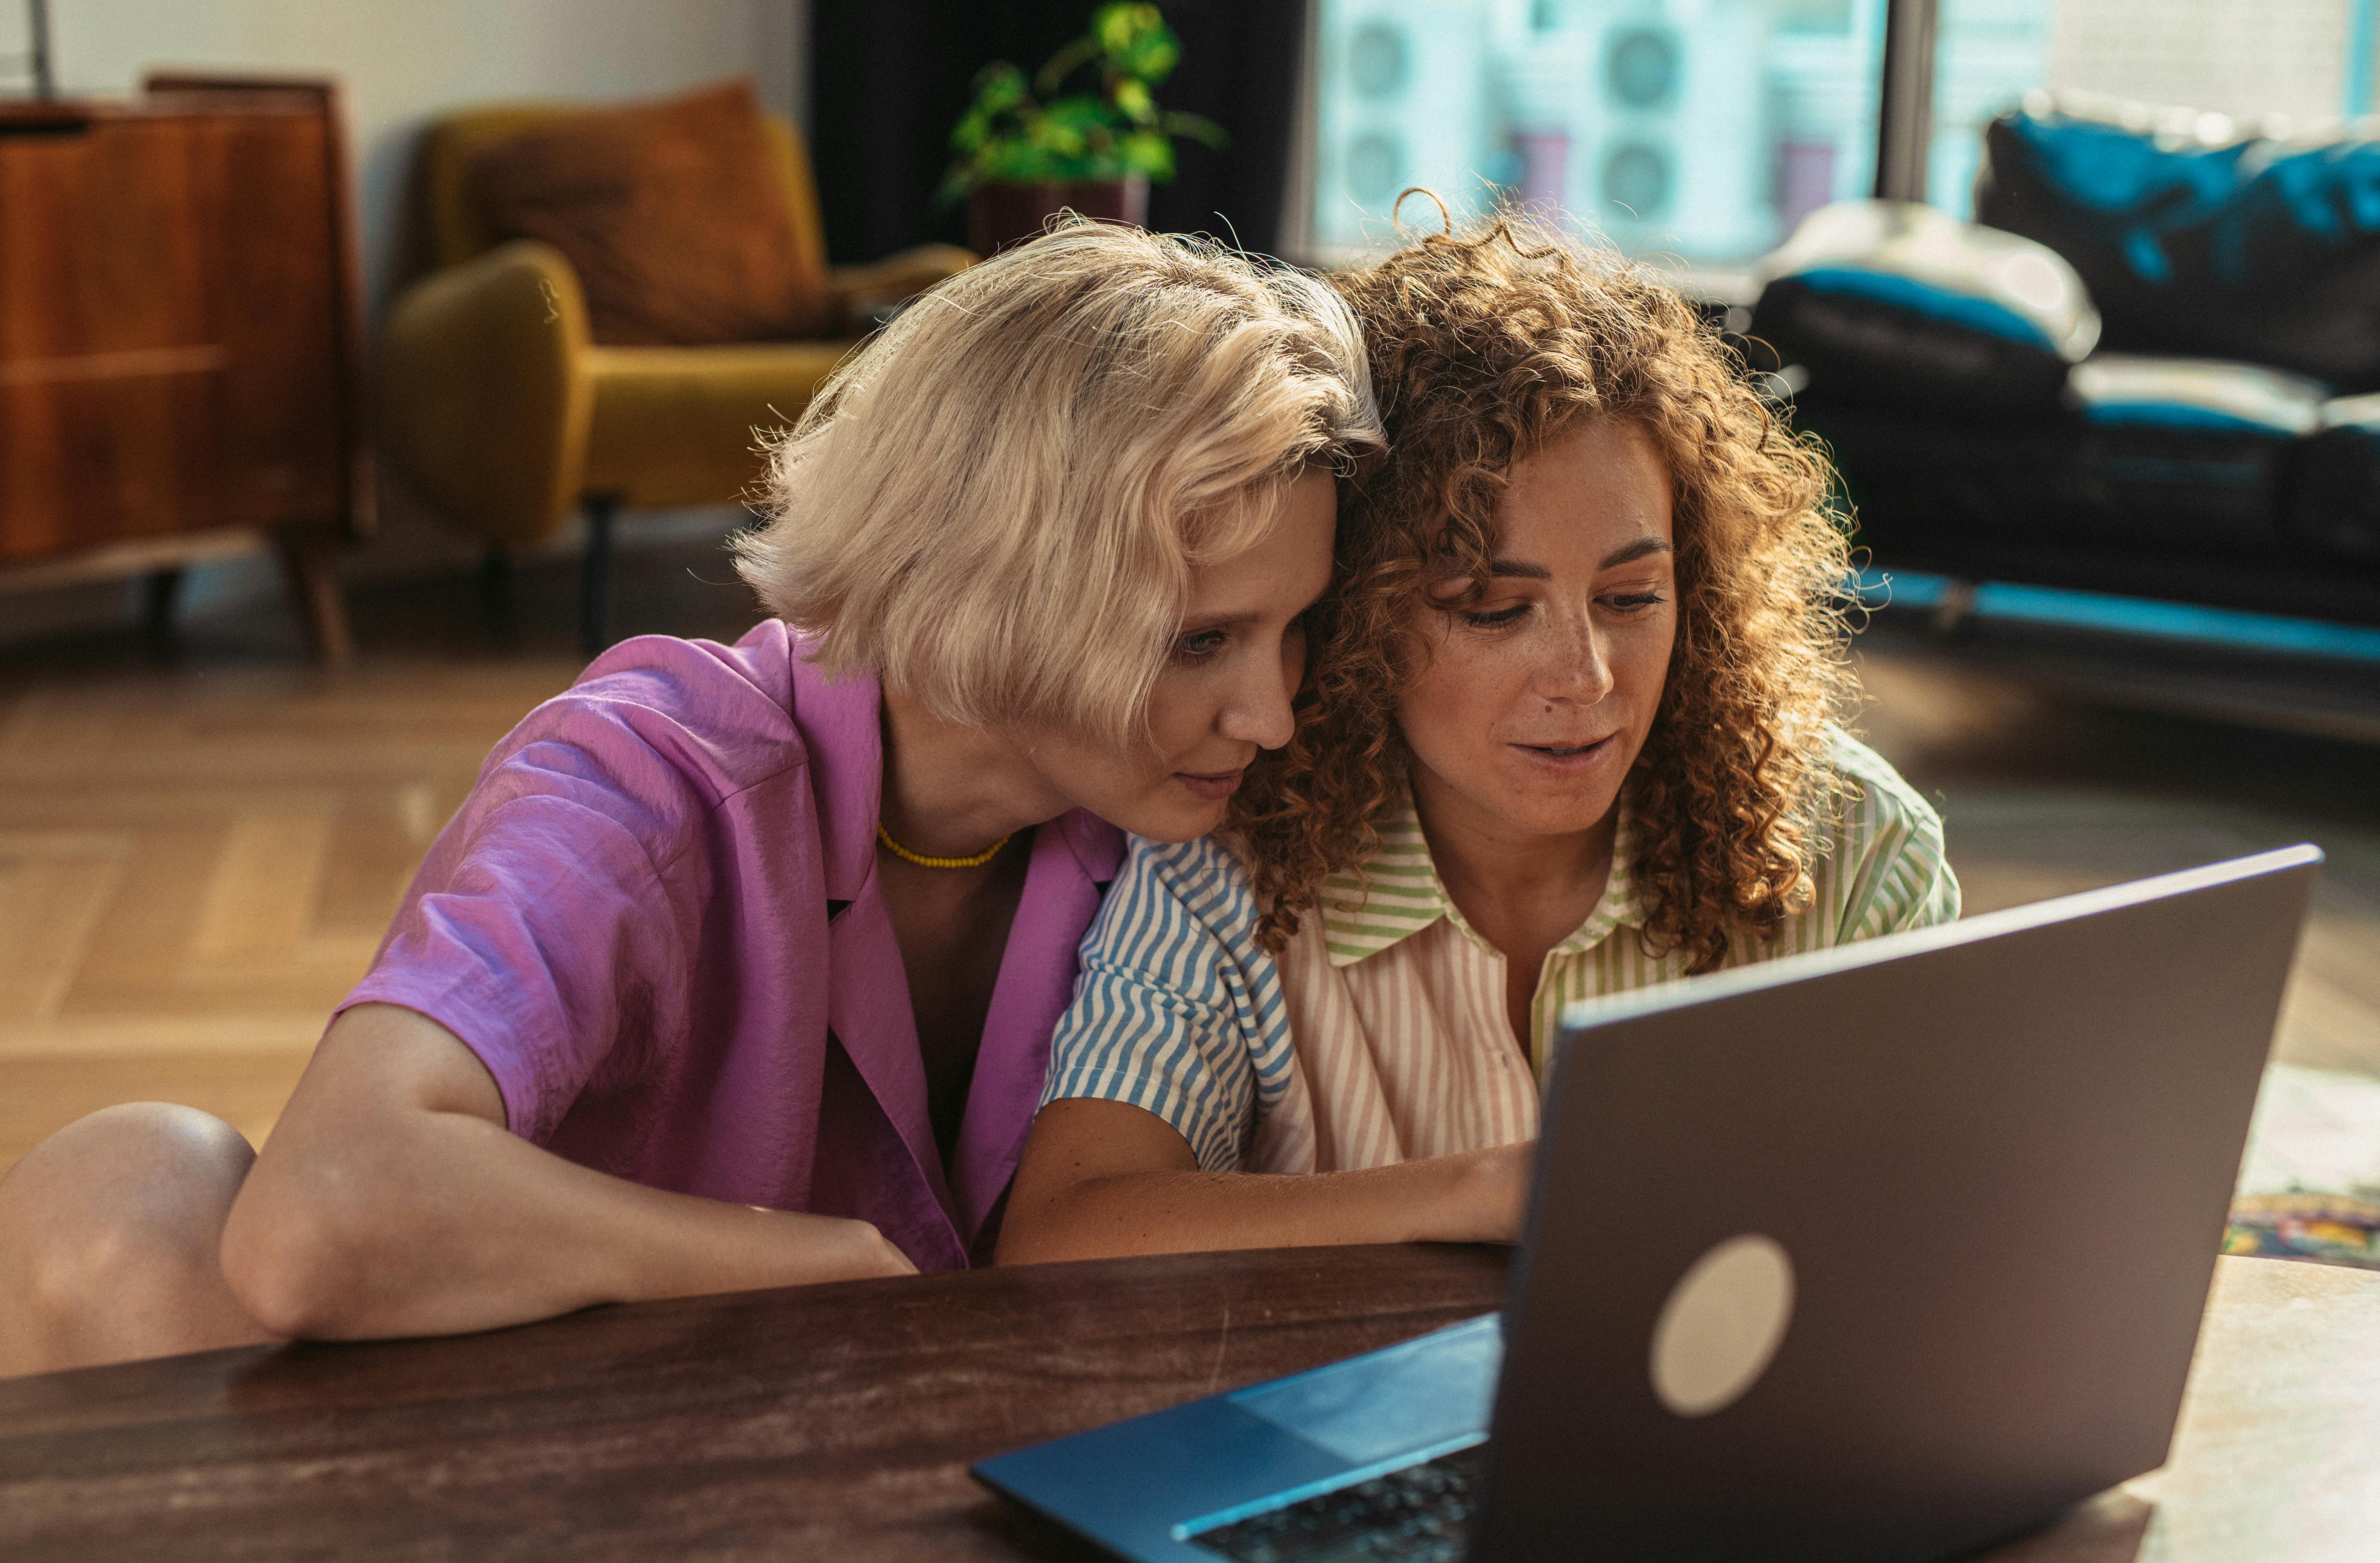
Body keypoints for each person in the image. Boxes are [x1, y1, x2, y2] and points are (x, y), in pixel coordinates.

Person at [0, 223, 1381, 1376]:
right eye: (1198, 641)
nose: (1270, 714)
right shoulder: (642, 783)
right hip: (587, 1439)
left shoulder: (1172, 822)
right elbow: (326, 1214)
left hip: (960, 1454)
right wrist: (813, 1269)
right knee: (125, 1188)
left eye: (1292, 629)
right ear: (994, 579)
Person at [998, 215, 1961, 1264]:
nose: (1587, 678)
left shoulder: (1857, 847)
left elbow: (1940, 1233)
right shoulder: (1223, 868)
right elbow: (1064, 1231)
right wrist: (1475, 1193)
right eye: (1495, 610)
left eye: (1633, 596)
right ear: (1361, 616)